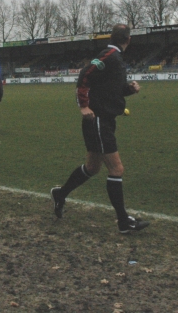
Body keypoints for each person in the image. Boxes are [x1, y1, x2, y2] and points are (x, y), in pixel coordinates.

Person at [50, 24, 149, 234]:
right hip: (98, 119)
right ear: (128, 40)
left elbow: (109, 89)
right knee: (116, 169)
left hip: (104, 119)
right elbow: (85, 74)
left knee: (92, 167)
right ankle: (123, 222)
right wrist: (84, 105)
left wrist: (128, 90)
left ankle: (60, 194)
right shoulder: (110, 55)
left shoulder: (115, 57)